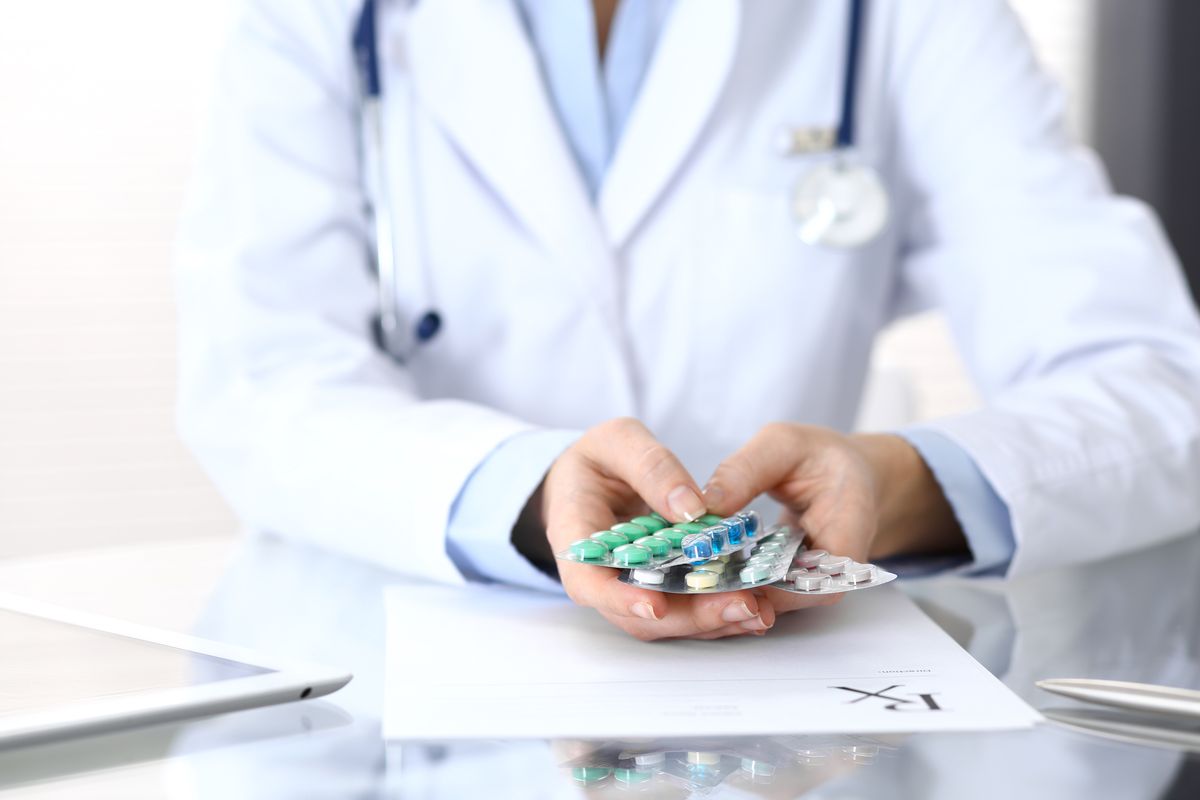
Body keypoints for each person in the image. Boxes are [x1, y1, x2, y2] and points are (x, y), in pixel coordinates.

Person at [175, 0, 1200, 641]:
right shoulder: (314, 18)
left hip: (796, 683)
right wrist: (523, 495)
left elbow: (1162, 386)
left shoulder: (900, 17)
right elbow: (259, 383)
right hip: (409, 687)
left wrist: (897, 487)